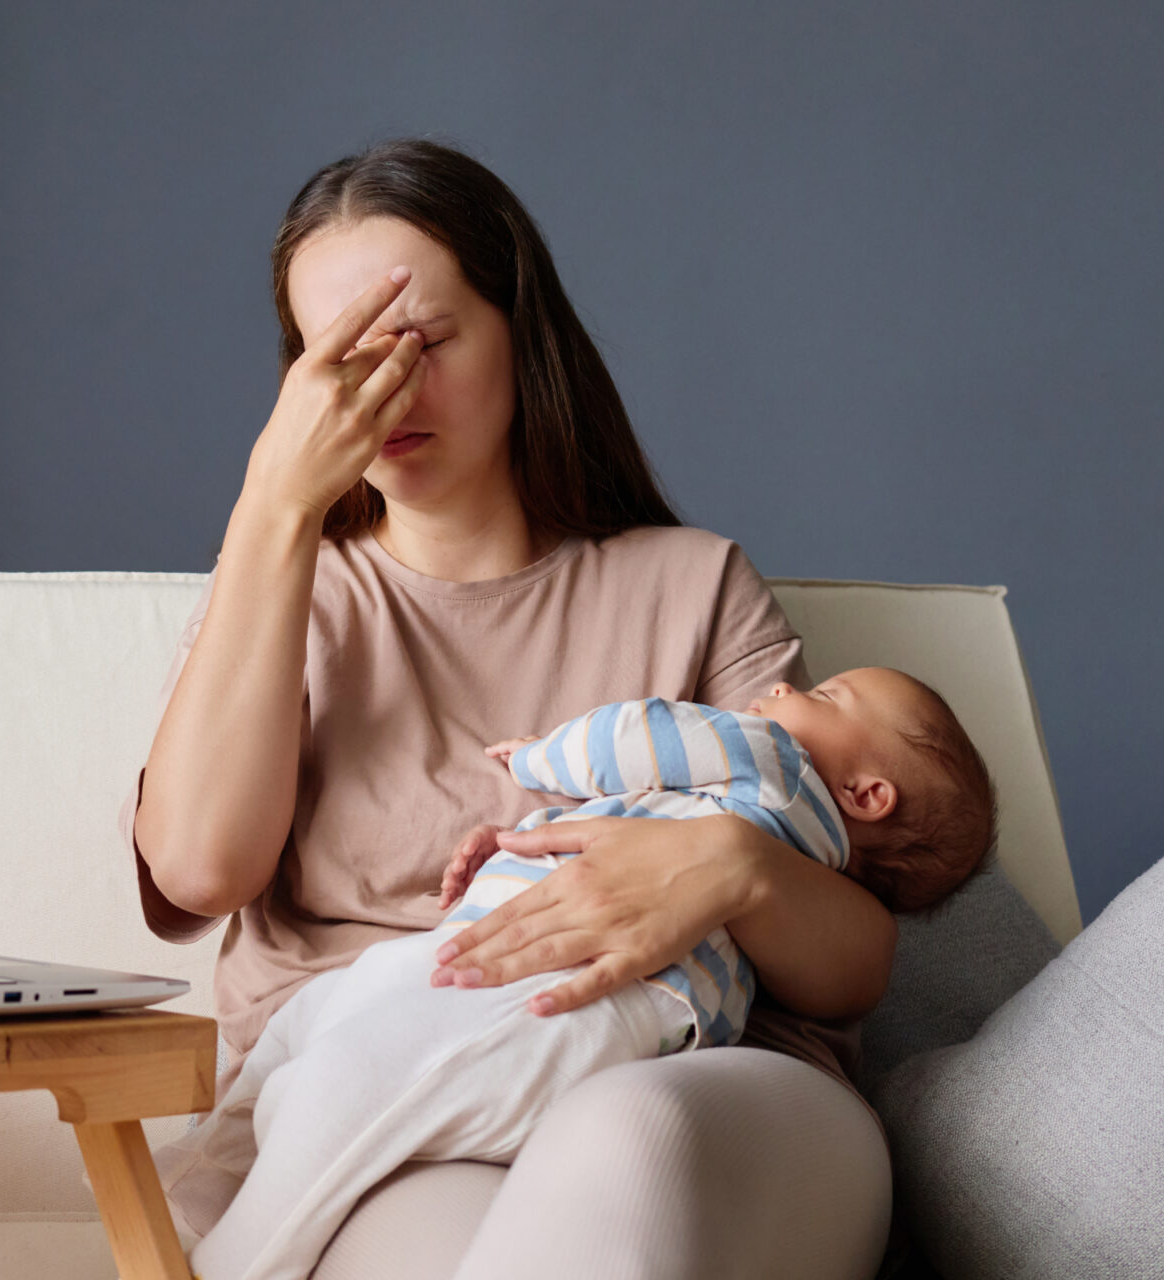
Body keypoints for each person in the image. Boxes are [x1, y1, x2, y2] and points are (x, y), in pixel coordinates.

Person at [121, 137, 900, 1279]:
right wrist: (276, 503)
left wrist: (731, 865)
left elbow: (856, 960)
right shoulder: (289, 594)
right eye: (339, 357)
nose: (386, 387)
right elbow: (196, 869)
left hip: (703, 1078)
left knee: (620, 1135)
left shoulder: (693, 582)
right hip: (398, 1103)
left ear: (518, 331)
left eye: (424, 341)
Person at [163, 671, 997, 1280]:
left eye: (829, 696)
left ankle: (229, 1256)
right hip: (577, 997)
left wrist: (541, 761)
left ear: (868, 793)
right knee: (321, 1021)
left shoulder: (771, 762)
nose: (784, 686)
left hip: (582, 988)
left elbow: (645, 734)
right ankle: (189, 1192)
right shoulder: (791, 830)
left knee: (355, 1076)